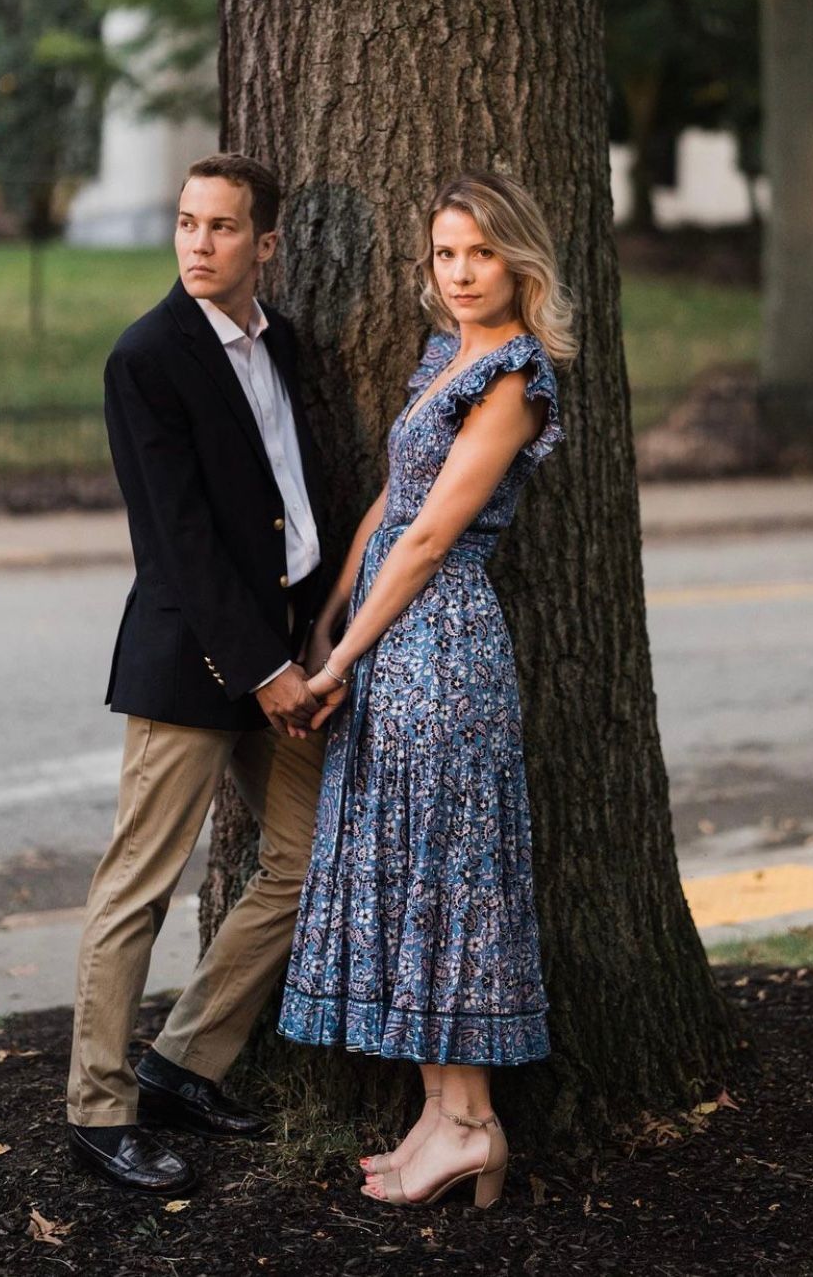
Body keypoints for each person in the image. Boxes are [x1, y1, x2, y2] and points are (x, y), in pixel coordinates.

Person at [278, 169, 576, 1209]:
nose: (459, 272)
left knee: (449, 880)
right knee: (413, 873)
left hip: (441, 643)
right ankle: (443, 1117)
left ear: (518, 262)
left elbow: (434, 535)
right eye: (446, 253)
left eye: (481, 253)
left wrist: (339, 659)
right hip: (386, 630)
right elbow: (390, 504)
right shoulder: (447, 354)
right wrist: (327, 618)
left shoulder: (516, 377)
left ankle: (476, 1122)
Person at [66, 154, 330, 1193]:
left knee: (304, 862)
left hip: (287, 653)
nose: (198, 243)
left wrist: (313, 636)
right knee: (137, 888)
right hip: (194, 663)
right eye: (187, 223)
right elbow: (175, 538)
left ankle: (182, 1061)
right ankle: (97, 1111)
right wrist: (263, 665)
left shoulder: (284, 343)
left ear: (265, 243)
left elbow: (293, 501)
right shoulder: (147, 357)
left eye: (222, 227)